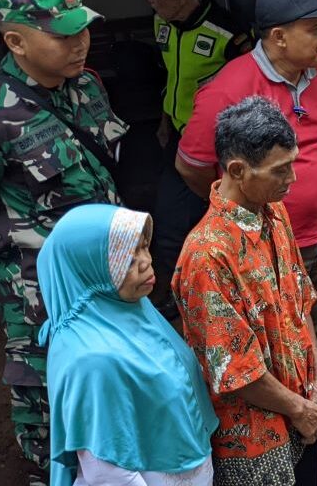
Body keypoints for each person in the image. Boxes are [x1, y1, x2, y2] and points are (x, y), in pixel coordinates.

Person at [175, 0, 317, 402]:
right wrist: (241, 212)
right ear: (279, 37)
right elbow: (192, 165)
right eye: (316, 29)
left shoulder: (315, 75)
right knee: (269, 333)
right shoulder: (227, 89)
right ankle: (286, 413)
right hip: (256, 242)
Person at [0, 0, 128, 486]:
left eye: (84, 31)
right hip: (39, 296)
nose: (80, 44)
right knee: (50, 409)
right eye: (64, 36)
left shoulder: (87, 86)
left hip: (106, 276)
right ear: (16, 41)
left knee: (107, 391)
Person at [173, 97, 317, 486]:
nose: (292, 179)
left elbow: (300, 301)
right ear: (238, 170)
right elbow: (235, 371)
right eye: (280, 170)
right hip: (254, 441)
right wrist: (299, 408)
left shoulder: (274, 213)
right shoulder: (206, 255)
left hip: (302, 412)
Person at [39, 205, 217, 486]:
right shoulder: (91, 360)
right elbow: (107, 474)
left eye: (144, 248)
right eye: (127, 257)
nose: (146, 262)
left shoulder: (130, 310)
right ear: (90, 270)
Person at [123, 0, 253, 314]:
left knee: (192, 216)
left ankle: (183, 295)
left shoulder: (228, 33)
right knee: (173, 213)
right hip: (179, 134)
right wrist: (166, 119)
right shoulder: (161, 23)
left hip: (218, 144)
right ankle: (181, 291)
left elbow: (250, 86)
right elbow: (171, 78)